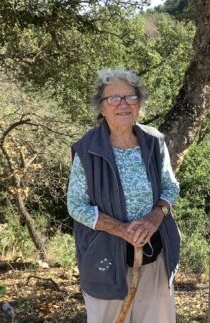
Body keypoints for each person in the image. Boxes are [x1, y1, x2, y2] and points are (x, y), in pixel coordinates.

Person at [67, 68, 181, 323]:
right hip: (105, 261)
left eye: (130, 97)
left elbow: (170, 186)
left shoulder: (154, 141)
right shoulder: (88, 149)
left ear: (138, 104)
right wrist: (121, 229)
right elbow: (76, 205)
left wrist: (155, 217)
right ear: (101, 107)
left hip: (154, 257)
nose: (123, 104)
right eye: (113, 98)